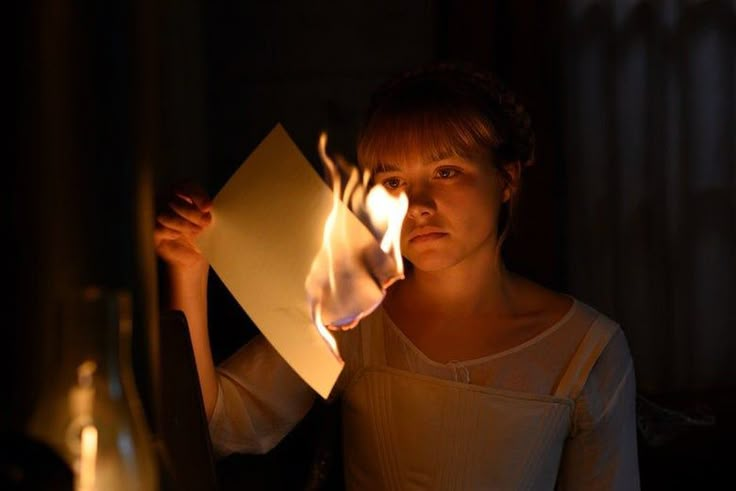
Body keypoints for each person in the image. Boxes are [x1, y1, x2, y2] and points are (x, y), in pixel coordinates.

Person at [154, 61, 640, 489]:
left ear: (507, 178)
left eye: (446, 172)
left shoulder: (587, 351)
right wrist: (189, 269)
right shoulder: (353, 317)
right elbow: (214, 428)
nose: (419, 206)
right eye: (394, 182)